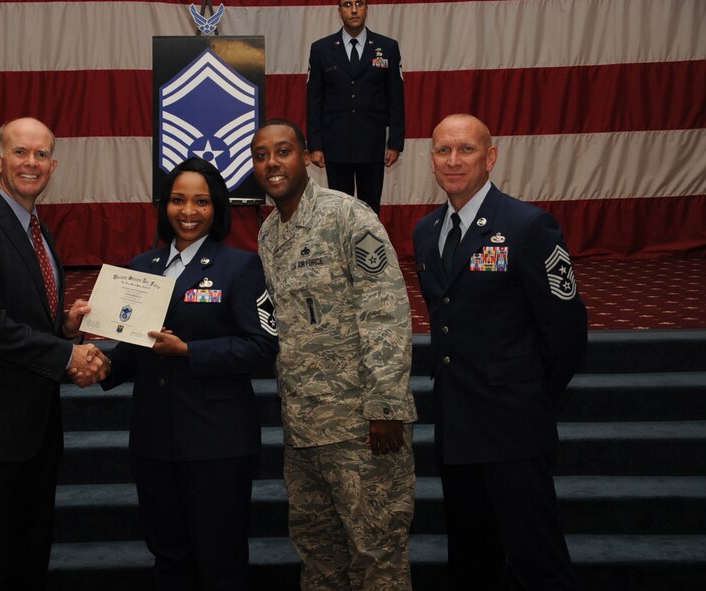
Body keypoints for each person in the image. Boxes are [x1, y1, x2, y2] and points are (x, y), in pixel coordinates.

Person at [412, 114, 588, 590]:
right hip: (457, 426)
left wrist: (529, 395)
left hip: (513, 428)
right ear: (431, 159)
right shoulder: (425, 233)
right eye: (443, 150)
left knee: (537, 560)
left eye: (466, 150)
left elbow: (567, 331)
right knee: (471, 562)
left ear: (490, 157)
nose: (453, 160)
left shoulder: (528, 226)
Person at [88, 157, 278, 590]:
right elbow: (137, 349)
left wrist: (189, 350)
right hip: (154, 441)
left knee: (220, 562)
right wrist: (100, 366)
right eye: (177, 200)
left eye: (201, 202)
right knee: (168, 558)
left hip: (216, 444)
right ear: (164, 205)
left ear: (218, 209)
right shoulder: (142, 266)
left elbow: (263, 348)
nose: (188, 211)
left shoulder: (241, 266)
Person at [0, 117, 108, 588]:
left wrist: (66, 331)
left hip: (35, 429)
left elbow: (29, 321)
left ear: (53, 166)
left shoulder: (41, 233)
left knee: (29, 557)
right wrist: (66, 357)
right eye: (20, 152)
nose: (31, 163)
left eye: (41, 155)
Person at [251, 119, 416, 590]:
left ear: (306, 156)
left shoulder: (349, 216)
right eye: (261, 155)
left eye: (283, 151)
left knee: (377, 555)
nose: (272, 163)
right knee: (320, 557)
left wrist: (386, 407)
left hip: (360, 429)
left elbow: (384, 310)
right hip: (303, 430)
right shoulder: (268, 233)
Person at [306, 0, 405, 215]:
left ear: (366, 8)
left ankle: (369, 249)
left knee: (370, 209)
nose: (353, 9)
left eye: (359, 3)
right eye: (347, 4)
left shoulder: (387, 47)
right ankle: (341, 249)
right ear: (339, 11)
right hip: (335, 143)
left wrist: (395, 143)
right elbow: (314, 100)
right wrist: (315, 145)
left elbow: (396, 98)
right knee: (338, 209)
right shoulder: (321, 49)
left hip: (372, 143)